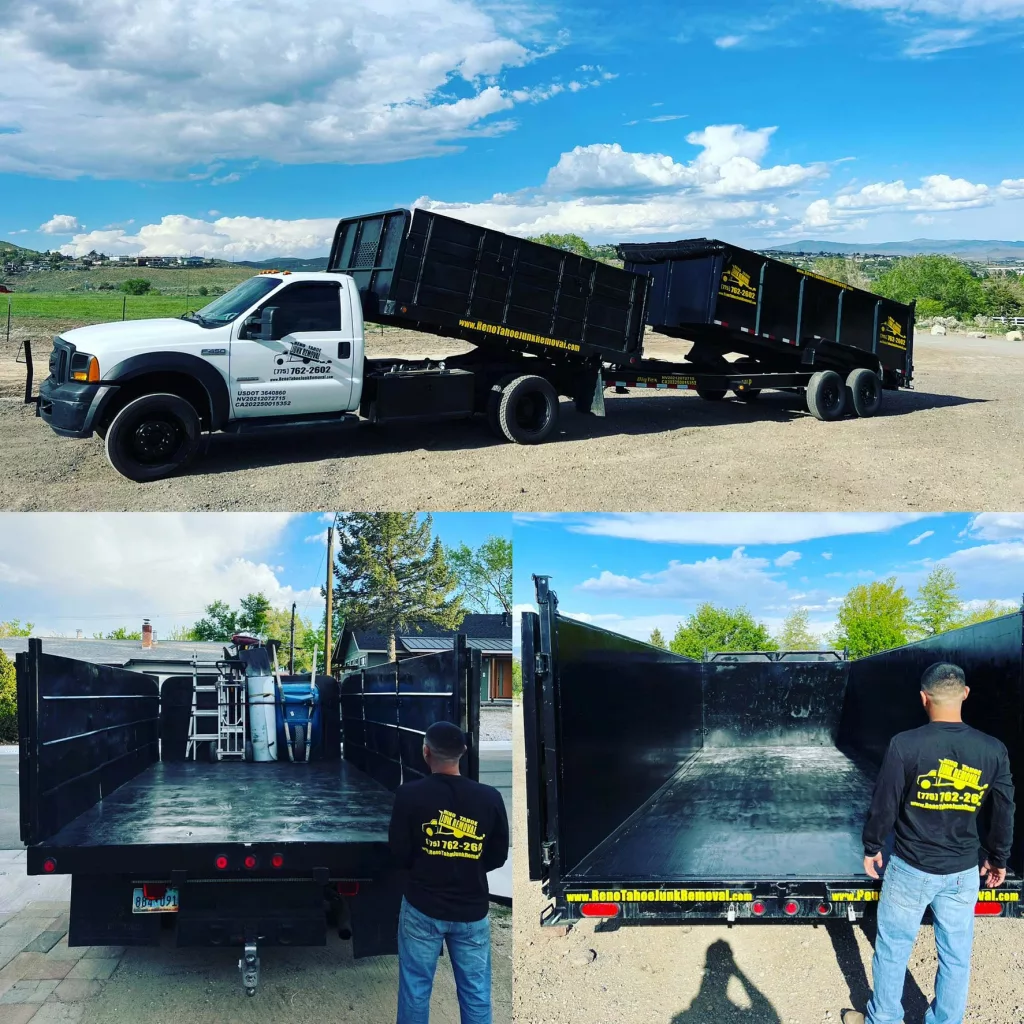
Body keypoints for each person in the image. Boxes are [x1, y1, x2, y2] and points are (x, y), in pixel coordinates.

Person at [842, 662, 1015, 1024]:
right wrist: (998, 858)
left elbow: (884, 803)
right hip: (962, 871)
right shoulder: (992, 749)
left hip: (910, 869)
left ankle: (884, 1019)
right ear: (965, 694)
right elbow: (1003, 809)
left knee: (892, 950)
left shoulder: (906, 745)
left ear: (924, 698)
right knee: (955, 957)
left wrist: (872, 847)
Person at [389, 721, 509, 1024]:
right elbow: (497, 855)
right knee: (476, 992)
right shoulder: (490, 797)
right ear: (463, 753)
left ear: (425, 752)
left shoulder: (408, 795)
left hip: (422, 908)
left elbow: (399, 853)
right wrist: (466, 862)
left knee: (416, 989)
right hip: (471, 911)